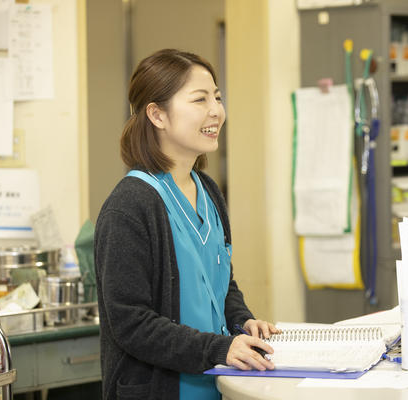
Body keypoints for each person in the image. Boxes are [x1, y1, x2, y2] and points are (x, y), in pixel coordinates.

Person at [95, 48, 279, 400]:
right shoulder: (129, 206)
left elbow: (220, 283)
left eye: (217, 98)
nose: (216, 111)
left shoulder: (208, 190)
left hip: (217, 385)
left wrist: (242, 321)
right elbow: (131, 323)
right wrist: (218, 348)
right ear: (157, 115)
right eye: (199, 99)